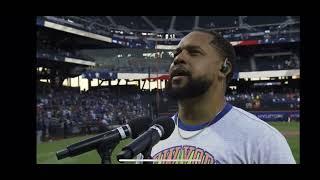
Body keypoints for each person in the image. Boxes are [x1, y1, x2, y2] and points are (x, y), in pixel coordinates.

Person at [150, 28, 295, 164]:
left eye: (194, 53)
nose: (178, 59)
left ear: (224, 67)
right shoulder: (152, 138)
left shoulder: (262, 140)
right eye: (176, 54)